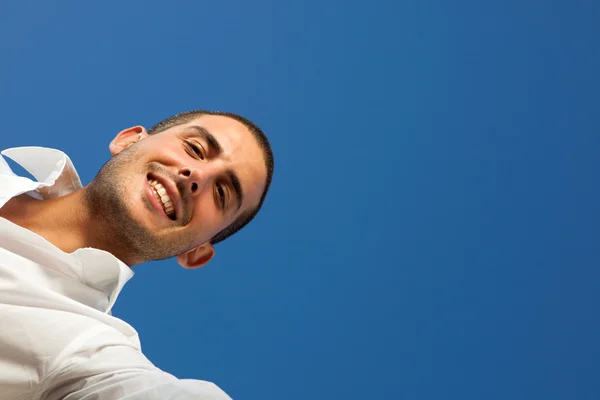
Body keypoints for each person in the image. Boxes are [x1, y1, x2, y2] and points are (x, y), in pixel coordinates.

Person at [0, 110, 274, 399]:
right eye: (194, 149)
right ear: (128, 140)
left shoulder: (85, 351)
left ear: (196, 253)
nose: (196, 175)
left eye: (221, 193)